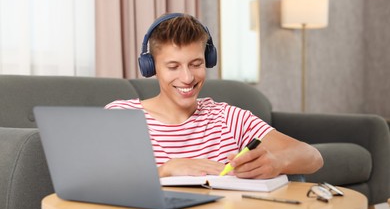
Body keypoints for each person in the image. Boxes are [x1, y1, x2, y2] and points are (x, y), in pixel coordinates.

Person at [105, 12, 323, 181]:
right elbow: (98, 183)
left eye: (196, 64)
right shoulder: (122, 116)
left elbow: (312, 156)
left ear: (207, 60)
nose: (187, 77)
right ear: (151, 67)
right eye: (173, 66)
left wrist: (277, 162)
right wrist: (166, 170)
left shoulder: (228, 118)